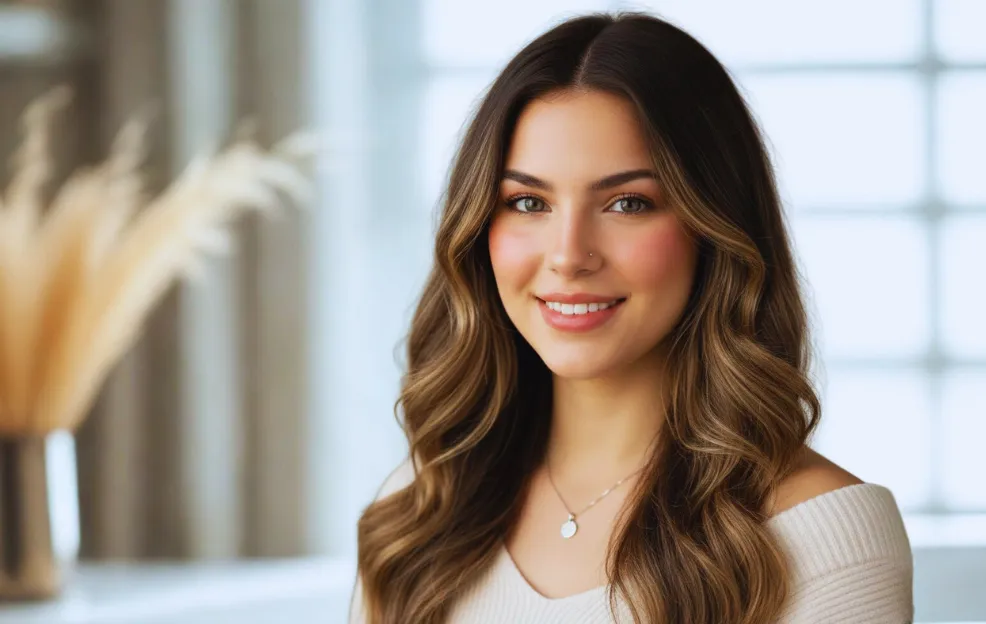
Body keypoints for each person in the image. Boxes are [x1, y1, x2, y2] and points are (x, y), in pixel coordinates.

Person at [351, 11, 913, 624]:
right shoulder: (419, 509)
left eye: (627, 203)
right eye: (527, 202)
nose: (569, 255)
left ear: (714, 228)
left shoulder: (823, 539)